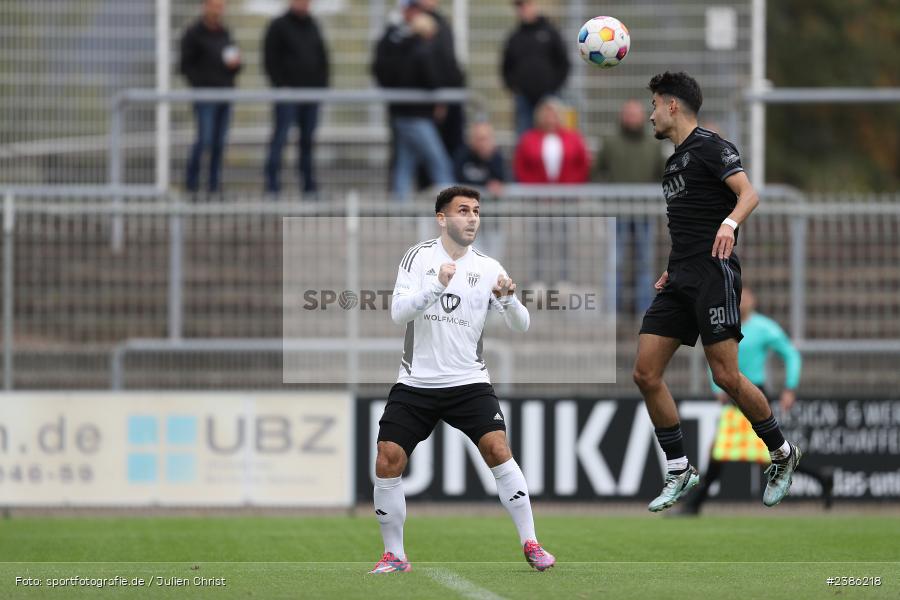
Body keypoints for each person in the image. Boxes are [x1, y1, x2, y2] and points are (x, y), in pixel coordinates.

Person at [632, 71, 801, 512]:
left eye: (653, 104)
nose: (650, 114)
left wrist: (730, 223)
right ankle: (680, 468)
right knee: (645, 373)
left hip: (713, 275)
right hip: (681, 277)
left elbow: (748, 193)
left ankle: (782, 453)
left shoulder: (711, 145)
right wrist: (672, 269)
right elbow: (686, 225)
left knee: (725, 375)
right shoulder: (672, 163)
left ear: (672, 105)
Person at [369, 185, 555, 574]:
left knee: (498, 449)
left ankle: (532, 542)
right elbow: (398, 314)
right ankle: (395, 555)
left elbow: (522, 325)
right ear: (442, 218)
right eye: (463, 211)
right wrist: (436, 285)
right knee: (388, 459)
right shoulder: (418, 258)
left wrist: (507, 300)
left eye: (476, 211)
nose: (472, 218)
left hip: (469, 382)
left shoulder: (488, 267)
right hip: (416, 382)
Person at [679, 288, 833, 514]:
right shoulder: (723, 324)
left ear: (753, 301)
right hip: (732, 394)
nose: (741, 301)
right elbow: (714, 358)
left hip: (753, 395)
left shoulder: (764, 328)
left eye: (746, 297)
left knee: (729, 452)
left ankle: (694, 505)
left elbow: (791, 354)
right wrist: (717, 387)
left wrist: (790, 387)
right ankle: (821, 477)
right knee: (745, 454)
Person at [372, 2, 453, 201]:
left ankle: (400, 209)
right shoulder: (421, 51)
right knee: (439, 162)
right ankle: (453, 209)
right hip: (417, 116)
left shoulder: (403, 47)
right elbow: (432, 80)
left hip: (403, 115)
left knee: (405, 165)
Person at [594, 100, 666, 316]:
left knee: (645, 262)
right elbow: (597, 172)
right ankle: (612, 310)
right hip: (617, 212)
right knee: (615, 261)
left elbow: (662, 176)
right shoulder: (610, 142)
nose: (632, 118)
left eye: (635, 114)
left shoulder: (654, 144)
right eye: (628, 114)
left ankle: (644, 309)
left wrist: (654, 200)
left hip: (645, 213)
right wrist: (606, 198)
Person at [262, 0, 330, 196]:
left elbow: (322, 56)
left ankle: (308, 186)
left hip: (311, 95)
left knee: (307, 142)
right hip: (288, 95)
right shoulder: (278, 25)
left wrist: (322, 85)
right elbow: (270, 58)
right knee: (280, 138)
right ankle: (272, 186)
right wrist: (281, 85)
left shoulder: (313, 24)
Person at [179, 0, 242, 195]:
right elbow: (185, 66)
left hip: (225, 94)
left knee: (219, 143)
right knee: (204, 140)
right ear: (205, 6)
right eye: (214, 5)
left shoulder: (225, 33)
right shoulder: (193, 33)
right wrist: (201, 84)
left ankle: (214, 187)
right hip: (205, 96)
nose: (218, 10)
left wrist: (235, 65)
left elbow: (235, 63)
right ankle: (192, 186)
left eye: (220, 6)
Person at [501, 0, 570, 137]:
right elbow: (506, 67)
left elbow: (563, 62)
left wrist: (553, 87)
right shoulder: (515, 37)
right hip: (524, 99)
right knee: (524, 138)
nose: (522, 10)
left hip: (549, 97)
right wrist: (515, 88)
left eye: (525, 5)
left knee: (552, 137)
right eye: (519, 6)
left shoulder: (550, 32)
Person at [513, 98, 590, 184]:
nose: (550, 119)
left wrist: (572, 185)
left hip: (568, 192)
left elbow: (583, 164)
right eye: (547, 115)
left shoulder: (574, 137)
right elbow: (520, 166)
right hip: (536, 192)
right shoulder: (528, 138)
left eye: (554, 115)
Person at [453, 121, 508, 196]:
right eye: (479, 139)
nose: (483, 143)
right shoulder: (462, 155)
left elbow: (501, 181)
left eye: (486, 139)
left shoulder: (496, 158)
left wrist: (488, 158)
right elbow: (456, 180)